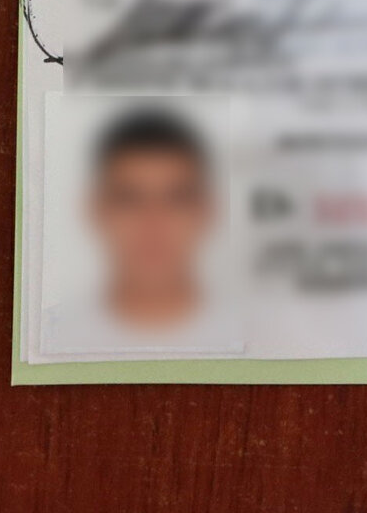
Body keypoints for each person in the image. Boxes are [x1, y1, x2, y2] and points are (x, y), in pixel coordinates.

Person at [45, 104, 236, 353]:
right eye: (130, 200)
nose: (154, 223)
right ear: (96, 210)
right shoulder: (49, 338)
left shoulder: (258, 336)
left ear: (208, 211)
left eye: (177, 199)